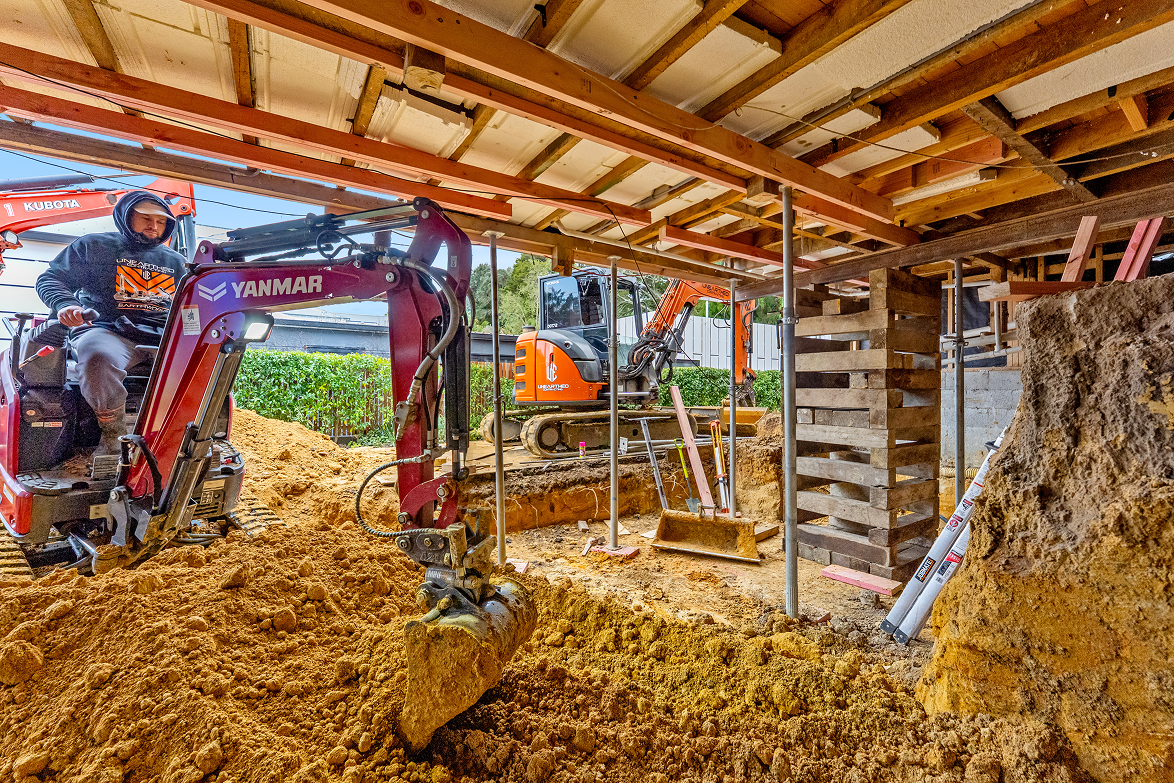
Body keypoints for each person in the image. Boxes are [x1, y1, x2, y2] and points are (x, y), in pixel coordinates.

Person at [35, 191, 186, 457]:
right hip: (108, 330)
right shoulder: (94, 246)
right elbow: (50, 279)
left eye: (161, 221)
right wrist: (66, 305)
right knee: (98, 358)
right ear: (126, 217)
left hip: (163, 337)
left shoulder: (176, 262)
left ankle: (175, 441)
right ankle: (113, 438)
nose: (154, 226)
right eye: (145, 218)